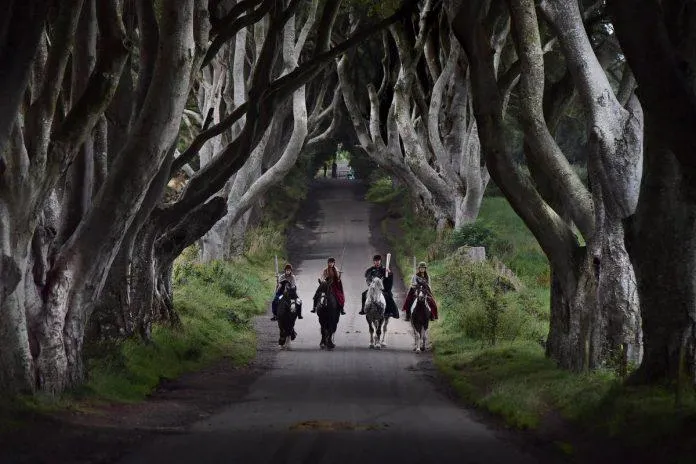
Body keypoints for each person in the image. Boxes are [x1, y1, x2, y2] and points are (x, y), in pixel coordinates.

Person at [359, 254, 399, 319]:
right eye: (376, 261)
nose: (377, 262)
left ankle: (390, 312)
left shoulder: (384, 269)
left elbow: (389, 279)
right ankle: (363, 309)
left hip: (382, 288)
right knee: (364, 294)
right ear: (374, 261)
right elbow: (368, 279)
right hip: (372, 288)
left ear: (380, 261)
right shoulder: (370, 270)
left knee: (388, 296)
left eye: (378, 261)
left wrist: (390, 273)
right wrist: (370, 285)